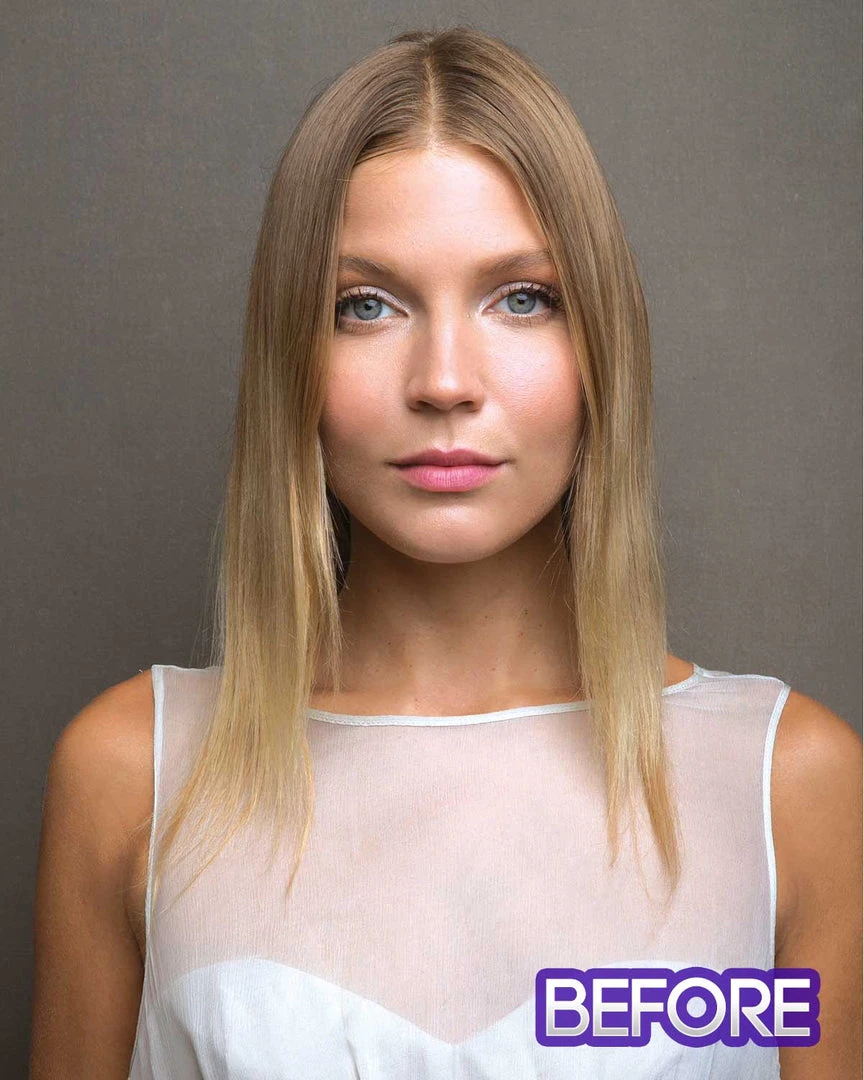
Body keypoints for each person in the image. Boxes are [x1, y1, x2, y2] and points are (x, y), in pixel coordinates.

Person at [30, 26, 861, 1080]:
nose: (445, 382)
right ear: (291, 357)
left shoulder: (790, 788)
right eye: (366, 306)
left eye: (522, 297)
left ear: (601, 343)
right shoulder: (131, 774)